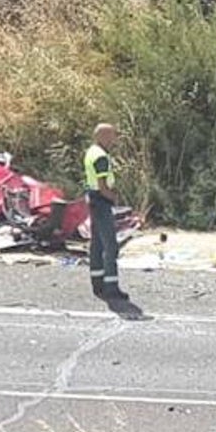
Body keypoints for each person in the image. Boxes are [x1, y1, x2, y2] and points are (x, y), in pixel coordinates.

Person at [83, 123, 125, 301]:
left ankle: (97, 283)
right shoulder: (101, 157)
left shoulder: (91, 151)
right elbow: (102, 185)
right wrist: (114, 198)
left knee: (97, 244)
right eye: (113, 135)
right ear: (104, 136)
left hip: (92, 199)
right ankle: (111, 287)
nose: (115, 139)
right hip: (101, 201)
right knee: (110, 245)